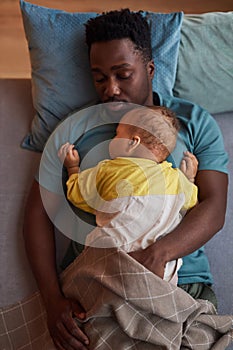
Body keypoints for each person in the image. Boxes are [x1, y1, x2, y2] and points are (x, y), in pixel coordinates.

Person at [23, 8, 228, 350]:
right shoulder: (75, 129)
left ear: (149, 70)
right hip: (100, 284)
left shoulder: (192, 122)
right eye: (100, 78)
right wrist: (52, 300)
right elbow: (37, 212)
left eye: (123, 74)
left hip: (181, 282)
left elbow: (214, 205)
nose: (111, 89)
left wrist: (159, 254)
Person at [58, 106, 198, 285]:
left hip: (112, 259)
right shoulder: (175, 178)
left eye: (117, 134)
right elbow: (191, 202)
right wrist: (190, 177)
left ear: (133, 142)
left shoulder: (108, 170)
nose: (112, 138)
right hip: (161, 271)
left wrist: (72, 167)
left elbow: (77, 195)